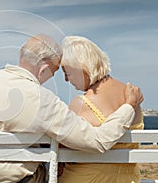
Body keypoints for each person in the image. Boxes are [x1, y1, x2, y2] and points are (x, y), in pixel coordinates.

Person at [0, 34, 143, 183]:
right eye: (56, 72)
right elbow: (96, 141)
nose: (61, 79)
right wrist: (129, 106)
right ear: (43, 70)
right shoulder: (41, 99)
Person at [58, 35, 144, 183]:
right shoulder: (132, 94)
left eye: (68, 74)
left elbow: (63, 147)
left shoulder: (81, 103)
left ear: (82, 69)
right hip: (129, 179)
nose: (67, 80)